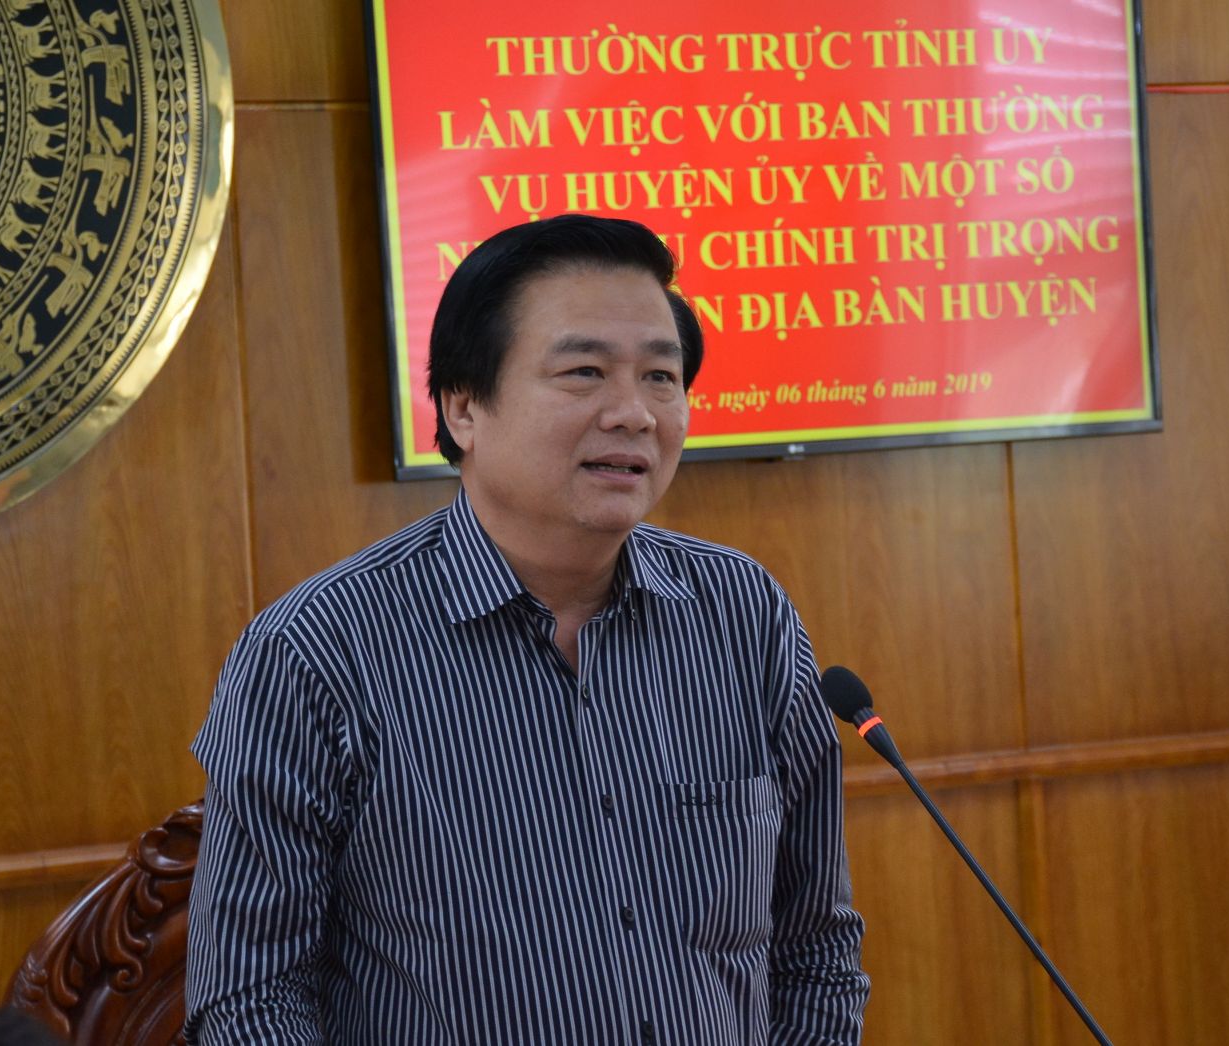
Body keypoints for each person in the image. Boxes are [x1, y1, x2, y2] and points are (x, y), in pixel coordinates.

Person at [184, 214, 869, 1043]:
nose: (635, 414)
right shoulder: (316, 654)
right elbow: (248, 1002)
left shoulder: (741, 615)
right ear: (464, 406)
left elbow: (815, 948)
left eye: (662, 376)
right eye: (585, 372)